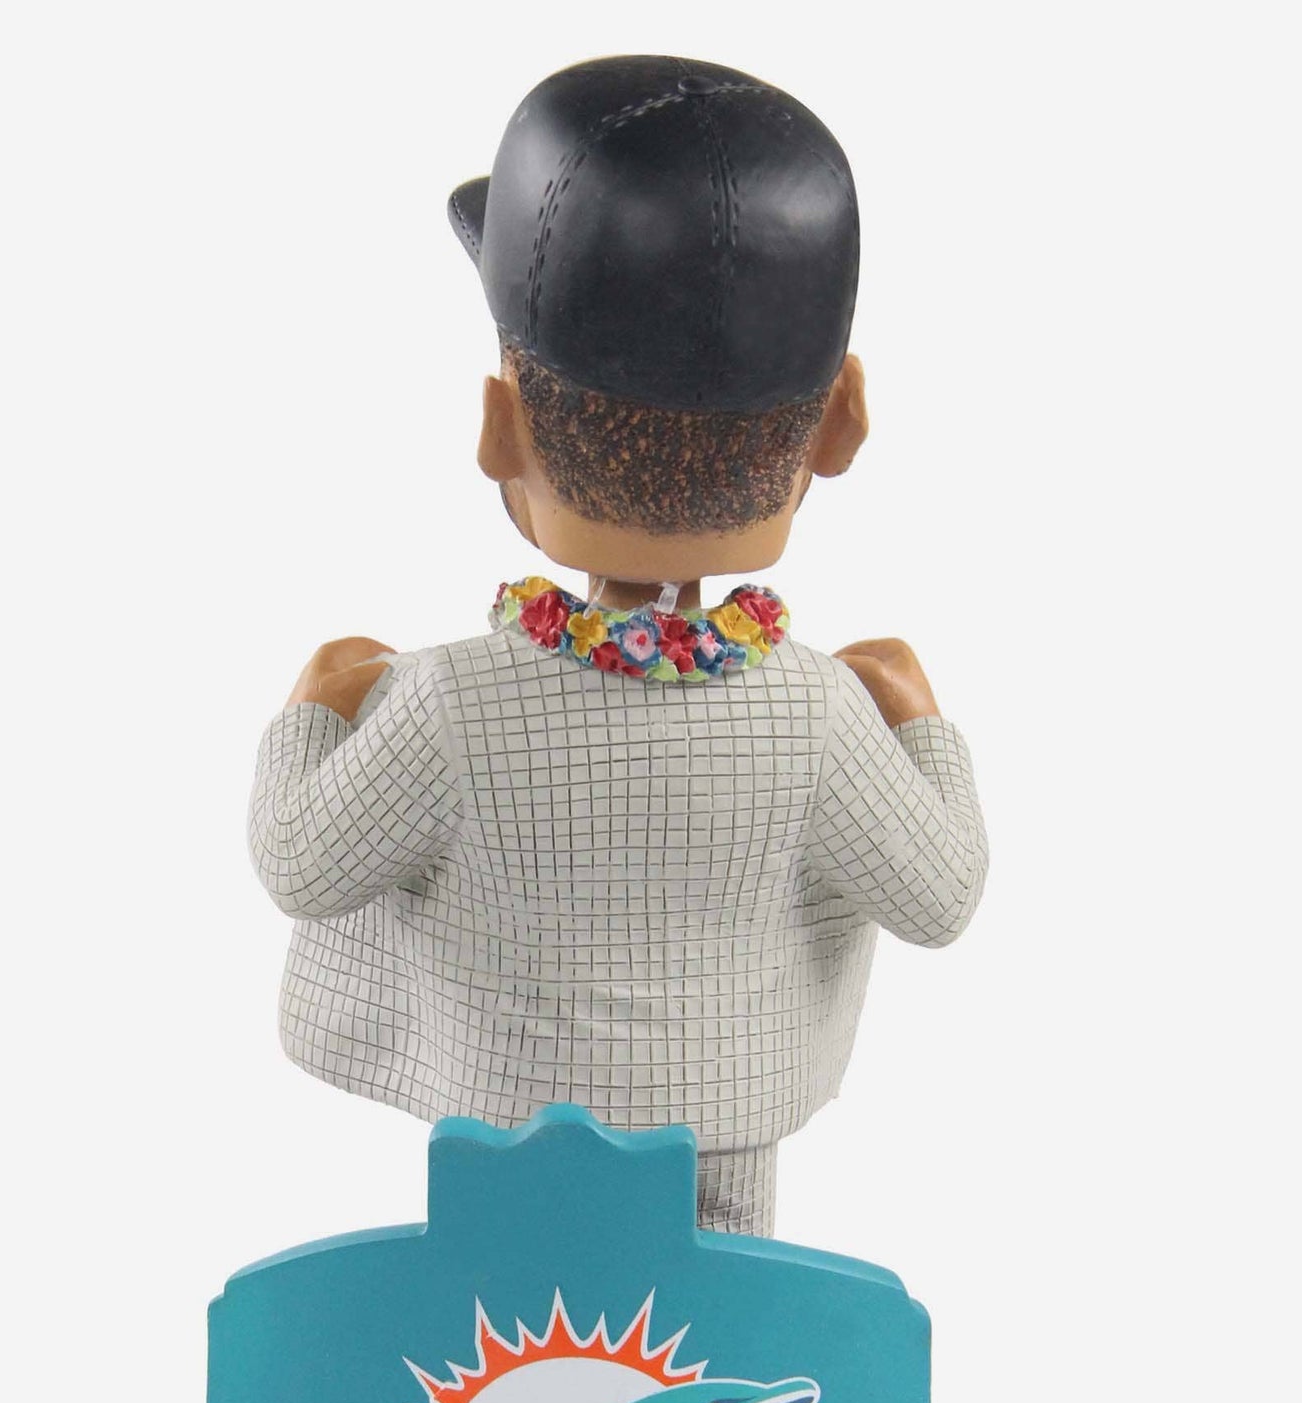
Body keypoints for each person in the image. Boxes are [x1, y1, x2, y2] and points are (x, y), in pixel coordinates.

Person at [247, 55, 988, 1236]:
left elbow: (301, 864)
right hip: (726, 1118)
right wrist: (917, 718)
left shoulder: (448, 701)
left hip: (505, 1118)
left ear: (498, 429)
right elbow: (940, 895)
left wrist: (313, 709)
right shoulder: (815, 712)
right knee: (721, 1300)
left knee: (503, 1305)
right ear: (839, 423)